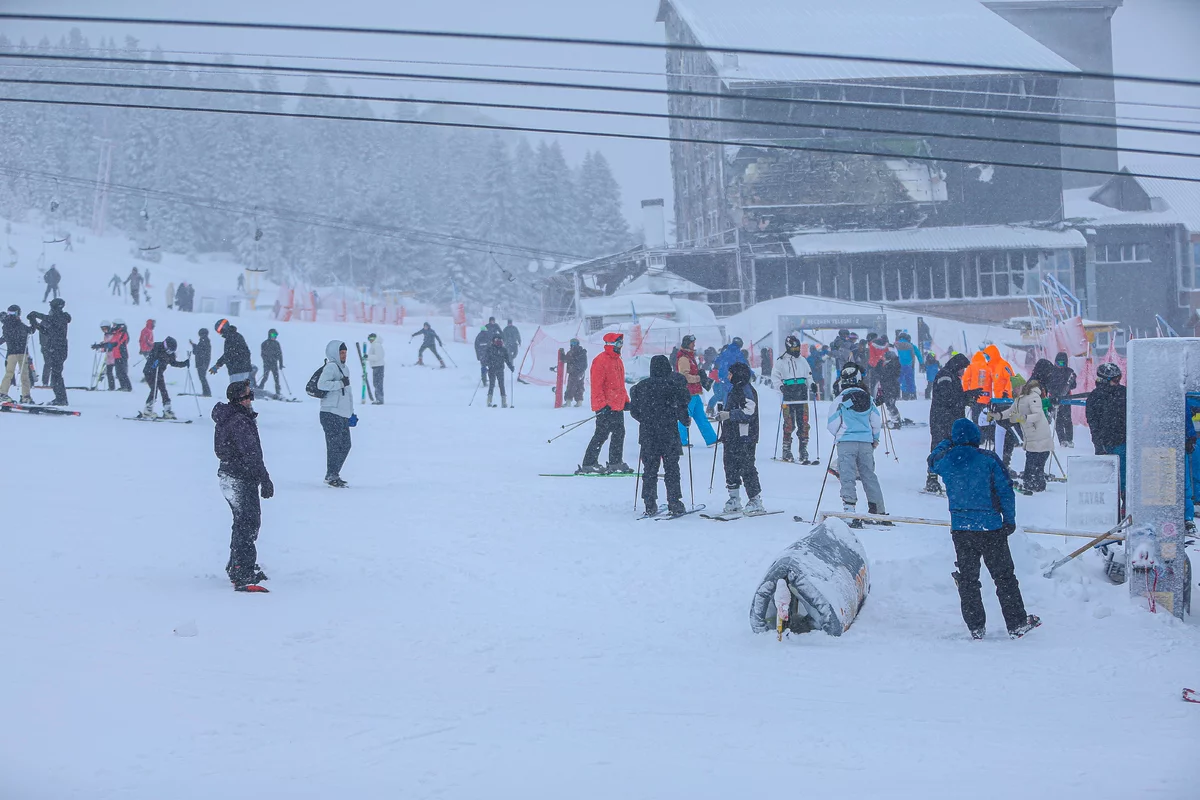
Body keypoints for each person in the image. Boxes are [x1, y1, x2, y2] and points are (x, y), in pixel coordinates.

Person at [928, 418, 1040, 640]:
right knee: (1004, 577)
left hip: (961, 529)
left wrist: (947, 442)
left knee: (968, 580)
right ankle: (1017, 623)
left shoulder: (947, 460)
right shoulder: (988, 459)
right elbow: (1006, 491)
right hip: (991, 528)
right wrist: (1009, 520)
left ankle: (976, 626)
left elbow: (932, 460)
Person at [212, 380, 273, 592]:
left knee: (243, 521)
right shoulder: (239, 422)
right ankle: (242, 570)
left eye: (251, 396)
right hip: (239, 477)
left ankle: (237, 564)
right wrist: (264, 479)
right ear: (238, 400)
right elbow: (251, 455)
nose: (250, 400)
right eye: (247, 397)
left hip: (232, 475)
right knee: (248, 523)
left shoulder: (233, 417)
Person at [827, 362, 888, 527]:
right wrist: (874, 438)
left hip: (846, 442)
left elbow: (832, 423)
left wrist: (839, 434)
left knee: (847, 477)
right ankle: (878, 510)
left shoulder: (840, 399)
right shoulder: (867, 398)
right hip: (866, 443)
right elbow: (876, 421)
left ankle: (849, 510)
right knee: (869, 475)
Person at [629, 354, 690, 516]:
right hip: (669, 433)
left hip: (648, 434)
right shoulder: (673, 386)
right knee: (672, 468)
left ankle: (649, 503)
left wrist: (646, 419)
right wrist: (685, 420)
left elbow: (634, 411)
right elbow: (683, 404)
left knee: (649, 469)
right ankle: (674, 501)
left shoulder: (639, 387)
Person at [577, 332, 632, 474]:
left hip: (617, 405)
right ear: (611, 345)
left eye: (621, 343)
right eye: (619, 344)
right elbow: (597, 385)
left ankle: (615, 462)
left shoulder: (618, 361)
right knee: (601, 434)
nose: (621, 346)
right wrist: (601, 405)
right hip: (606, 406)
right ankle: (589, 463)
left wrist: (626, 401)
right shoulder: (600, 360)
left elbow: (620, 384)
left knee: (619, 432)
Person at [717, 361, 764, 514]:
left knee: (747, 466)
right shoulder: (734, 390)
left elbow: (749, 412)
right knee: (730, 465)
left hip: (745, 436)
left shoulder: (746, 390)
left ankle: (755, 499)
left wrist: (729, 415)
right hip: (731, 435)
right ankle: (734, 498)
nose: (728, 376)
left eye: (730, 373)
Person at [926, 353, 975, 493]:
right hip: (941, 419)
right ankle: (932, 478)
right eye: (962, 368)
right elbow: (947, 398)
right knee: (939, 447)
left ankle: (951, 478)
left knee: (951, 448)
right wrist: (965, 398)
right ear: (957, 366)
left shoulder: (952, 376)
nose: (963, 372)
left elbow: (954, 397)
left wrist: (967, 396)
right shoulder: (945, 376)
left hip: (950, 419)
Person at [999, 379, 1053, 493]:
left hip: (1039, 437)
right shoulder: (1019, 399)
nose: (1015, 391)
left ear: (1022, 387)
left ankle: (1035, 484)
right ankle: (1033, 483)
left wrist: (1021, 418)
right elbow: (1010, 411)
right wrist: (998, 415)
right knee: (1032, 465)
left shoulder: (1033, 397)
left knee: (1035, 464)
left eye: (1016, 388)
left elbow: (1037, 415)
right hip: (1031, 439)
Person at [316, 340, 356, 487]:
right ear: (334, 353)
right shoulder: (331, 367)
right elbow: (322, 384)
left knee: (345, 445)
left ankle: (333, 473)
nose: (343, 355)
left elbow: (347, 393)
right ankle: (332, 474)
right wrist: (340, 384)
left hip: (341, 413)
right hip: (330, 412)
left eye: (345, 352)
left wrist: (351, 412)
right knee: (334, 445)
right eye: (341, 352)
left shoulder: (344, 369)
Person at [1086, 362, 1127, 492]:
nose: (1118, 382)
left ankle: (1125, 505)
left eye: (1119, 379)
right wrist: (1098, 444)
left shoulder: (1123, 393)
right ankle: (1111, 508)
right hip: (1105, 444)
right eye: (1115, 380)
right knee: (1108, 480)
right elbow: (1093, 424)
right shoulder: (1094, 397)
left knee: (1124, 478)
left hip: (1123, 442)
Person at [776, 334, 812, 463]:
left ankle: (803, 449)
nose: (797, 351)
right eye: (795, 348)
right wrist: (781, 387)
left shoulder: (802, 360)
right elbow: (775, 378)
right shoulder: (780, 362)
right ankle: (786, 449)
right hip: (788, 398)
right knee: (789, 424)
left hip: (802, 397)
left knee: (804, 424)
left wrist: (811, 384)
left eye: (798, 348)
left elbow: (808, 375)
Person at [675, 334, 716, 446]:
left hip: (694, 392)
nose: (694, 345)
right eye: (692, 343)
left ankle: (712, 439)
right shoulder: (684, 358)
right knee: (685, 417)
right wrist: (699, 378)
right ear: (687, 344)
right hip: (688, 392)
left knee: (701, 417)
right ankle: (681, 441)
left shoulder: (689, 356)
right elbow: (684, 376)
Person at [28, 298, 70, 405]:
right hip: (56, 349)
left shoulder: (61, 317)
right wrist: (35, 322)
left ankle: (61, 399)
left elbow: (51, 319)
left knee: (56, 374)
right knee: (56, 374)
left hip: (58, 349)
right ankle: (60, 398)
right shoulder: (57, 318)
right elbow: (45, 331)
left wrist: (36, 314)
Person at [983, 344, 1018, 468]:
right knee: (1000, 433)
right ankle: (999, 459)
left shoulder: (1003, 365)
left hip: (1006, 403)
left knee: (1005, 432)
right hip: (997, 403)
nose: (987, 359)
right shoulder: (992, 369)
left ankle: (1002, 460)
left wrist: (1007, 393)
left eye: (988, 356)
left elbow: (1011, 379)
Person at [140, 336, 189, 419]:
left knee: (163, 390)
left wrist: (184, 364)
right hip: (150, 372)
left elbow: (173, 363)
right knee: (154, 389)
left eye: (171, 351)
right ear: (165, 345)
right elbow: (152, 360)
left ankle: (167, 409)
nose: (170, 352)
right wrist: (157, 361)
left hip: (159, 373)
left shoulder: (170, 354)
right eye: (169, 350)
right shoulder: (157, 347)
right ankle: (148, 410)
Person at [0, 304, 34, 403]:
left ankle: (4, 394)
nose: (11, 315)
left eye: (12, 313)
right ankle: (25, 396)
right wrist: (33, 321)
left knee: (12, 374)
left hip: (14, 353)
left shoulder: (7, 324)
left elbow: (29, 331)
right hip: (19, 353)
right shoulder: (16, 324)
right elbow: (30, 330)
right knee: (21, 375)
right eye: (10, 313)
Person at [708, 337, 747, 416]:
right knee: (729, 394)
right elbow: (744, 365)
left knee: (723, 394)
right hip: (732, 376)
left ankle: (717, 410)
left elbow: (717, 361)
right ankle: (728, 412)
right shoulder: (737, 353)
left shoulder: (726, 351)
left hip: (722, 376)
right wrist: (750, 374)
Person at [1046, 352, 1078, 448]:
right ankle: (1062, 440)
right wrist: (1054, 393)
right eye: (1058, 363)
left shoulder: (1069, 372)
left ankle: (1069, 439)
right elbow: (1048, 385)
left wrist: (1071, 381)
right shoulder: (1051, 371)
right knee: (1058, 419)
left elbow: (1074, 386)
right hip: (1053, 398)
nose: (1060, 366)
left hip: (1066, 399)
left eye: (1062, 363)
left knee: (1067, 419)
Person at [210, 318, 253, 385]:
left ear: (223, 328)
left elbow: (228, 354)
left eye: (219, 330)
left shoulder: (230, 338)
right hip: (243, 368)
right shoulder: (237, 336)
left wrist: (218, 365)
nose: (220, 333)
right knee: (242, 390)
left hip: (237, 369)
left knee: (236, 391)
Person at [482, 334, 514, 408]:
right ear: (493, 341)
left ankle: (504, 402)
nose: (499, 342)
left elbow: (507, 360)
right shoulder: (490, 349)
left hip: (500, 369)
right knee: (492, 384)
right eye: (497, 340)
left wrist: (510, 366)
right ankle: (489, 401)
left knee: (501, 385)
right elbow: (485, 358)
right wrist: (484, 366)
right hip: (492, 369)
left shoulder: (503, 350)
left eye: (500, 340)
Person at [876, 350, 903, 429]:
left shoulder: (893, 364)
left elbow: (887, 375)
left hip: (891, 388)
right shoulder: (890, 364)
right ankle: (895, 419)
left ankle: (896, 421)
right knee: (889, 404)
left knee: (891, 405)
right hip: (888, 388)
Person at [895, 332, 923, 400]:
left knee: (902, 380)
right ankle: (912, 395)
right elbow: (918, 354)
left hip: (900, 365)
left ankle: (904, 395)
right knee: (910, 380)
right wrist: (921, 363)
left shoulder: (897, 345)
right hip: (909, 365)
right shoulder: (911, 346)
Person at [561, 338, 587, 407]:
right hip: (577, 373)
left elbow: (564, 359)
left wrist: (580, 371)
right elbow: (565, 359)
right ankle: (576, 401)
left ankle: (570, 401)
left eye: (574, 343)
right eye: (572, 343)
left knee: (572, 387)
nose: (573, 345)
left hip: (576, 373)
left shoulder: (578, 352)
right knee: (577, 387)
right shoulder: (577, 352)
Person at [92, 320, 117, 391]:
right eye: (102, 329)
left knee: (109, 371)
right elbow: (105, 343)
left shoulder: (112, 334)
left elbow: (111, 344)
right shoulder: (106, 335)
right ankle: (110, 386)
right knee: (108, 372)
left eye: (105, 328)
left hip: (113, 356)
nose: (104, 330)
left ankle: (112, 387)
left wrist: (102, 346)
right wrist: (99, 347)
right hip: (108, 356)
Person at [258, 329, 284, 396]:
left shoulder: (276, 344)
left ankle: (278, 391)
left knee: (276, 378)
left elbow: (280, 354)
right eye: (272, 335)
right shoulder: (264, 343)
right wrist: (267, 361)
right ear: (269, 335)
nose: (274, 337)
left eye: (275, 335)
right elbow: (263, 355)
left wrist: (281, 364)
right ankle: (260, 389)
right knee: (265, 377)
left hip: (274, 364)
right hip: (267, 364)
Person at [110, 318, 133, 391]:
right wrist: (102, 345)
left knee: (122, 372)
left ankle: (128, 387)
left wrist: (111, 345)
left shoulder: (123, 333)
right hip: (116, 355)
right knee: (118, 373)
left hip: (122, 355)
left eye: (114, 325)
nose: (113, 326)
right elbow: (112, 342)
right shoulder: (115, 334)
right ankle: (123, 386)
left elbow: (118, 343)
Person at [189, 328, 212, 397]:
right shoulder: (205, 341)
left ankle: (207, 392)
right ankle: (206, 392)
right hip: (203, 362)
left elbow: (197, 351)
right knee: (202, 377)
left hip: (201, 363)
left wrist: (193, 346)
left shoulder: (203, 341)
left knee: (202, 377)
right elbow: (199, 351)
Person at [367, 333, 385, 404]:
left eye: (372, 339)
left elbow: (378, 357)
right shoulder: (374, 345)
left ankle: (380, 399)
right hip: (376, 366)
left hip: (379, 366)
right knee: (376, 383)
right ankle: (378, 398)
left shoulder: (377, 345)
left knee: (378, 383)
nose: (370, 340)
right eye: (369, 339)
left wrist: (368, 357)